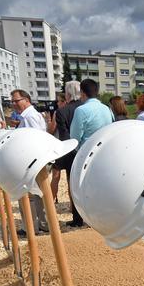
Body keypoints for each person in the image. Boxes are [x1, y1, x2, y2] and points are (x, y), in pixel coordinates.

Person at [68, 79, 115, 227]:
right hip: (104, 152)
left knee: (84, 188)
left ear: (82, 92)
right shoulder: (106, 109)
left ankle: (87, 217)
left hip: (86, 152)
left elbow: (75, 137)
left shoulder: (81, 110)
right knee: (101, 186)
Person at [10, 89, 49, 234]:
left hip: (30, 162)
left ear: (26, 99)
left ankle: (31, 228)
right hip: (34, 161)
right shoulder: (30, 115)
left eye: (16, 100)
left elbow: (36, 139)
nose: (14, 104)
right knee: (37, 195)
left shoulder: (29, 117)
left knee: (28, 196)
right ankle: (42, 224)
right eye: (12, 101)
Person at [50, 81, 83, 220]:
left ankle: (76, 215)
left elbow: (64, 134)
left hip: (69, 149)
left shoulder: (62, 111)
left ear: (68, 94)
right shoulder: (85, 108)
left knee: (71, 182)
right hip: (85, 148)